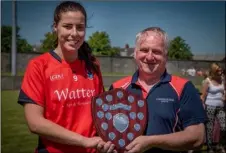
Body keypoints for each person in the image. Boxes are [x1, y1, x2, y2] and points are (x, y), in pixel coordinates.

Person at [17, 1, 114, 153]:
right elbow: (35, 123)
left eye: (80, 27)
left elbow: (100, 113)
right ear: (55, 27)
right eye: (67, 26)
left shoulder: (92, 64)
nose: (74, 33)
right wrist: (84, 141)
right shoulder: (38, 66)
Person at [104, 27, 207, 153]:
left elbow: (197, 137)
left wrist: (151, 141)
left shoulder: (183, 87)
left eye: (156, 51)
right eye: (144, 50)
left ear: (166, 56)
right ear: (135, 54)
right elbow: (108, 132)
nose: (150, 56)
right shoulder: (117, 88)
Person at [201, 63, 226, 153]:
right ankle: (210, 147)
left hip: (221, 107)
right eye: (218, 70)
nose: (221, 71)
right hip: (210, 106)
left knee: (224, 127)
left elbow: (224, 91)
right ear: (213, 71)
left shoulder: (223, 79)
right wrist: (201, 108)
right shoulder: (208, 81)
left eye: (221, 69)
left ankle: (220, 145)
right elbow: (203, 96)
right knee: (210, 128)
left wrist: (224, 96)